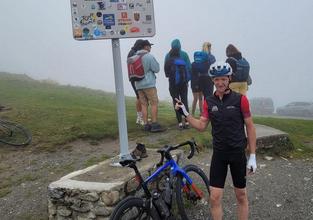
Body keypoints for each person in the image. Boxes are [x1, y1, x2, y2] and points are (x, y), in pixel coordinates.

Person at [175, 62, 257, 220]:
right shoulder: (209, 102)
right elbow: (201, 125)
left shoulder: (241, 100)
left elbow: (250, 128)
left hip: (237, 153)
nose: (220, 83)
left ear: (229, 79)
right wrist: (185, 113)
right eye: (217, 79)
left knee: (241, 195)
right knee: (214, 197)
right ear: (213, 80)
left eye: (223, 79)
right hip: (219, 154)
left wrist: (252, 155)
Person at [135, 40, 163, 132]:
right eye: (149, 46)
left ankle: (146, 124)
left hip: (138, 84)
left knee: (143, 104)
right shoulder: (149, 56)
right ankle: (154, 124)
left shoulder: (134, 57)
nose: (150, 48)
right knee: (154, 103)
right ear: (145, 47)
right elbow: (156, 69)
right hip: (149, 84)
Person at [164, 39, 191, 128]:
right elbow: (189, 68)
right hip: (183, 83)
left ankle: (180, 122)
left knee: (176, 101)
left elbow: (166, 73)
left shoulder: (168, 56)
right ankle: (187, 121)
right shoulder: (184, 55)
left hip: (173, 83)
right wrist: (186, 80)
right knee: (184, 100)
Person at [127, 39, 145, 125]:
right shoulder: (134, 53)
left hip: (132, 77)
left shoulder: (131, 52)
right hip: (135, 78)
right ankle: (139, 118)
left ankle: (140, 116)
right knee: (139, 97)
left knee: (139, 97)